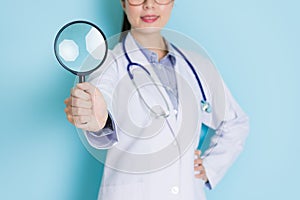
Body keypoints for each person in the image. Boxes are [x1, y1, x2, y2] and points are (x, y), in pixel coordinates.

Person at [64, 0, 249, 199]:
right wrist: (97, 118)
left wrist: (210, 167)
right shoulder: (108, 63)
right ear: (124, 3)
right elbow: (101, 102)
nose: (149, 5)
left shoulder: (197, 65)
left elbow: (237, 122)